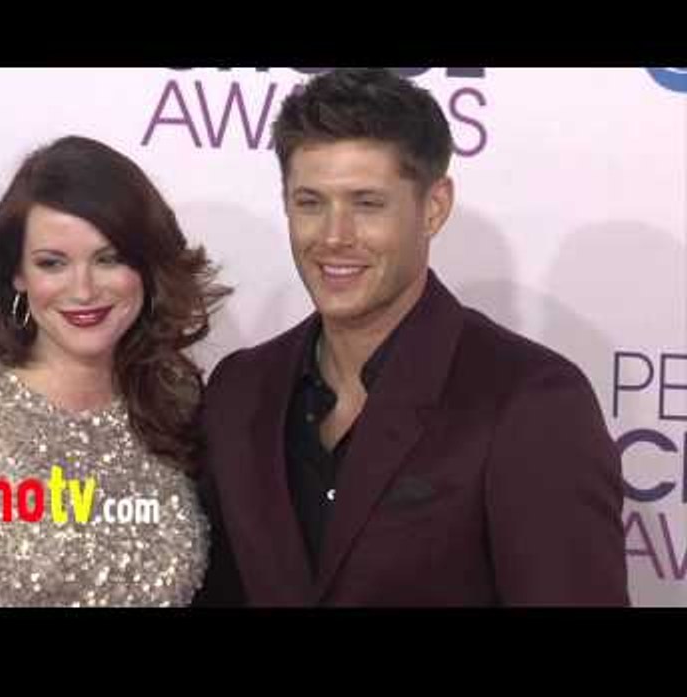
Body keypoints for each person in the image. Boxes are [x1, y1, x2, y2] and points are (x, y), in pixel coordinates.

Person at [195, 68, 629, 606]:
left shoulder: (530, 402)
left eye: (367, 203)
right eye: (311, 203)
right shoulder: (240, 390)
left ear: (434, 207)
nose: (334, 237)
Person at [0, 135, 230, 606]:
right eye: (52, 263)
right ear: (17, 274)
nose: (83, 290)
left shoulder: (179, 402)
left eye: (109, 258)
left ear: (145, 266)